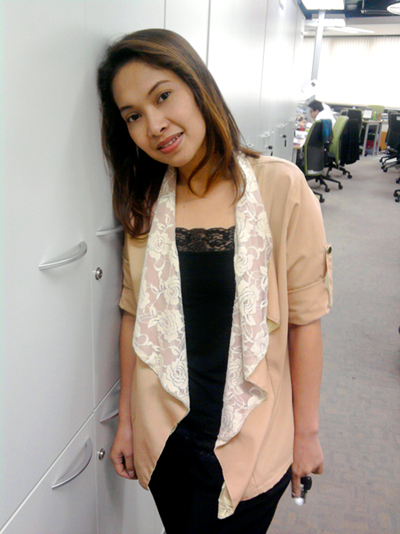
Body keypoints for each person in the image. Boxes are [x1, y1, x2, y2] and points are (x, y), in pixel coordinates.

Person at [97, 28, 332, 534]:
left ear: (197, 86)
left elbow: (304, 321)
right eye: (133, 116)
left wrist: (307, 434)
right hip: (168, 441)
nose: (155, 125)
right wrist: (128, 422)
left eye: (163, 96)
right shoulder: (146, 203)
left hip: (254, 438)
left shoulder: (280, 187)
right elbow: (133, 316)